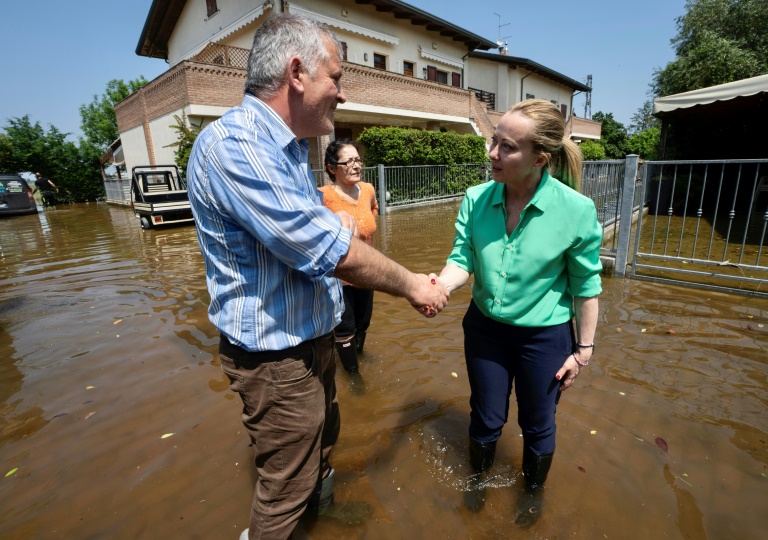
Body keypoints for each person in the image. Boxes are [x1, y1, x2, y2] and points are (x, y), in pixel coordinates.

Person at [186, 14, 448, 540]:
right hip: (275, 359)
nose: (342, 94)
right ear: (297, 72)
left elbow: (318, 233)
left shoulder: (287, 151)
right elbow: (331, 251)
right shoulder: (234, 146)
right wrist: (415, 285)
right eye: (338, 77)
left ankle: (321, 518)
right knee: (282, 492)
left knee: (323, 445)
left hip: (312, 341)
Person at [436, 99, 602, 525]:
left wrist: (583, 350)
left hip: (544, 338)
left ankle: (531, 499)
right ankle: (476, 491)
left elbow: (586, 289)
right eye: (493, 140)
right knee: (486, 417)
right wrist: (437, 287)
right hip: (485, 331)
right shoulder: (476, 199)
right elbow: (462, 260)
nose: (492, 152)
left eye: (507, 146)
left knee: (538, 423)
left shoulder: (576, 211)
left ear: (539, 159)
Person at [319, 139, 378, 374]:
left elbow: (373, 210)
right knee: (345, 328)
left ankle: (358, 355)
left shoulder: (368, 190)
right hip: (338, 276)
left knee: (364, 323)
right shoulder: (322, 197)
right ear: (332, 168)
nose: (356, 166)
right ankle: (354, 378)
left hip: (367, 271)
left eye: (358, 160)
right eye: (349, 161)